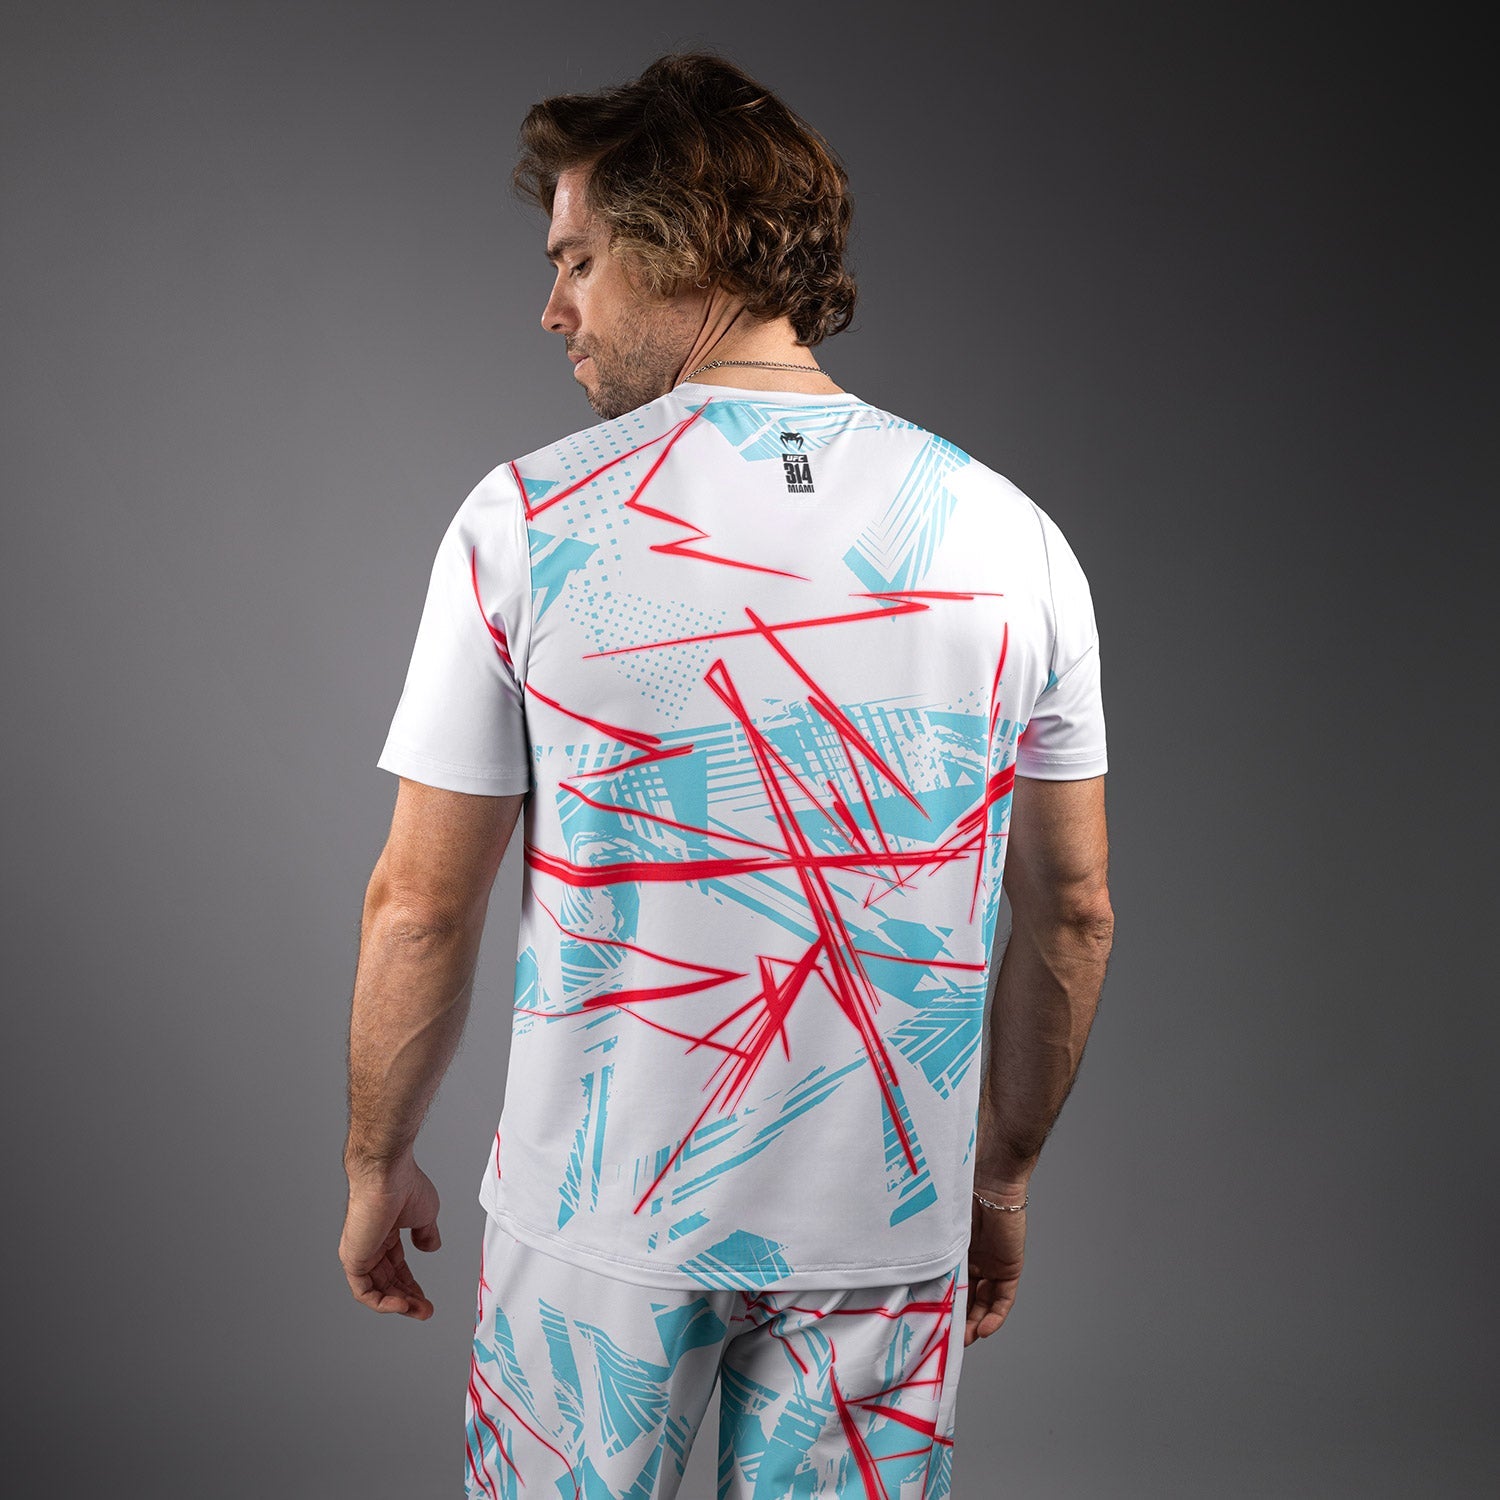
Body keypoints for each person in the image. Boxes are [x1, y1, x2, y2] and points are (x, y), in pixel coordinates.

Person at [339, 51, 1113, 1499]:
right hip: (887, 1232)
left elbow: (420, 907)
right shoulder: (1014, 536)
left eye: (577, 260)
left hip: (599, 1234)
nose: (553, 309)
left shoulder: (529, 522)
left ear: (681, 247)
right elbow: (1073, 914)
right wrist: (997, 1179)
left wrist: (377, 1159)